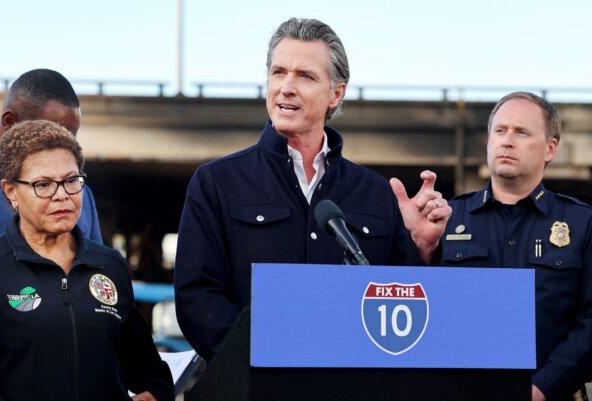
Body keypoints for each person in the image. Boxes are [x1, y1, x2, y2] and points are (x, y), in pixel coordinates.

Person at [175, 17, 451, 361]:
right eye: (278, 72)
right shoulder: (216, 183)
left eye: (305, 76)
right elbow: (197, 299)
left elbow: (399, 314)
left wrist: (422, 250)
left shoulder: (375, 193)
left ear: (336, 94)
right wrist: (268, 356)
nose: (286, 87)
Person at [0, 120, 174, 401]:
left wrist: (155, 392)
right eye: (43, 184)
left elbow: (149, 370)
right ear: (10, 191)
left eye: (71, 180)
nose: (62, 195)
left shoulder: (110, 265)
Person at [441, 92, 592, 401]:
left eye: (521, 132)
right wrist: (417, 241)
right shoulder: (445, 218)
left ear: (550, 149)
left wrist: (541, 388)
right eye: (500, 130)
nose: (507, 141)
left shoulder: (581, 223)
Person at [0, 69, 102, 242]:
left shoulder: (82, 196)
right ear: (10, 122)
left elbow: (97, 266)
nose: (65, 148)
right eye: (49, 137)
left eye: (70, 138)